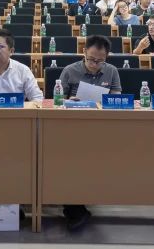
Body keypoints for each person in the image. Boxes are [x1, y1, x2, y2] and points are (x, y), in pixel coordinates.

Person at [55, 35, 122, 230]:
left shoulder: (111, 71)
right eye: (91, 59)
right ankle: (73, 205)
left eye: (100, 61)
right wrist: (69, 101)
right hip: (71, 126)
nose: (95, 64)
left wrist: (105, 101)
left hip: (102, 125)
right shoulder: (70, 70)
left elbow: (117, 96)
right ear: (84, 52)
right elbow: (57, 100)